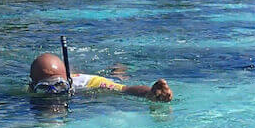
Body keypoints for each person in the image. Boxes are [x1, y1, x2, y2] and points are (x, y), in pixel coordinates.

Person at [28, 53, 172, 101]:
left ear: (68, 81)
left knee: (116, 77)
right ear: (32, 87)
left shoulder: (87, 83)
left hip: (93, 79)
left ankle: (118, 69)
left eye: (60, 85)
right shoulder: (26, 91)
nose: (53, 93)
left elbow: (125, 89)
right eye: (44, 88)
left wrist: (149, 93)